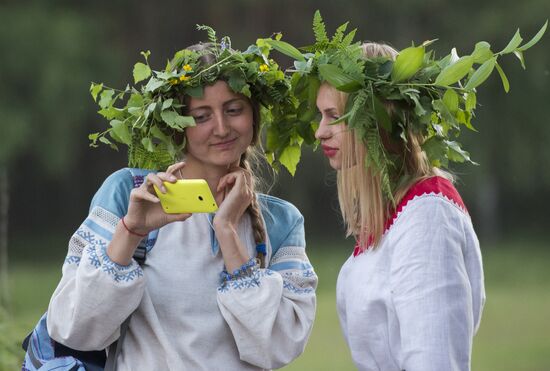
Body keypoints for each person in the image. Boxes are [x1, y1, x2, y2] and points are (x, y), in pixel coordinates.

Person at [43, 34, 317, 370]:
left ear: (254, 117)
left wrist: (227, 230)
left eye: (233, 110)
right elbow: (75, 330)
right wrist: (131, 231)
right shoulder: (132, 196)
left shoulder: (281, 221)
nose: (221, 127)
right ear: (177, 125)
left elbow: (278, 346)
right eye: (201, 116)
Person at [312, 42, 485, 370]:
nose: (320, 131)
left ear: (376, 120)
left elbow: (434, 360)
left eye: (333, 116)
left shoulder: (427, 215)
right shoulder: (396, 216)